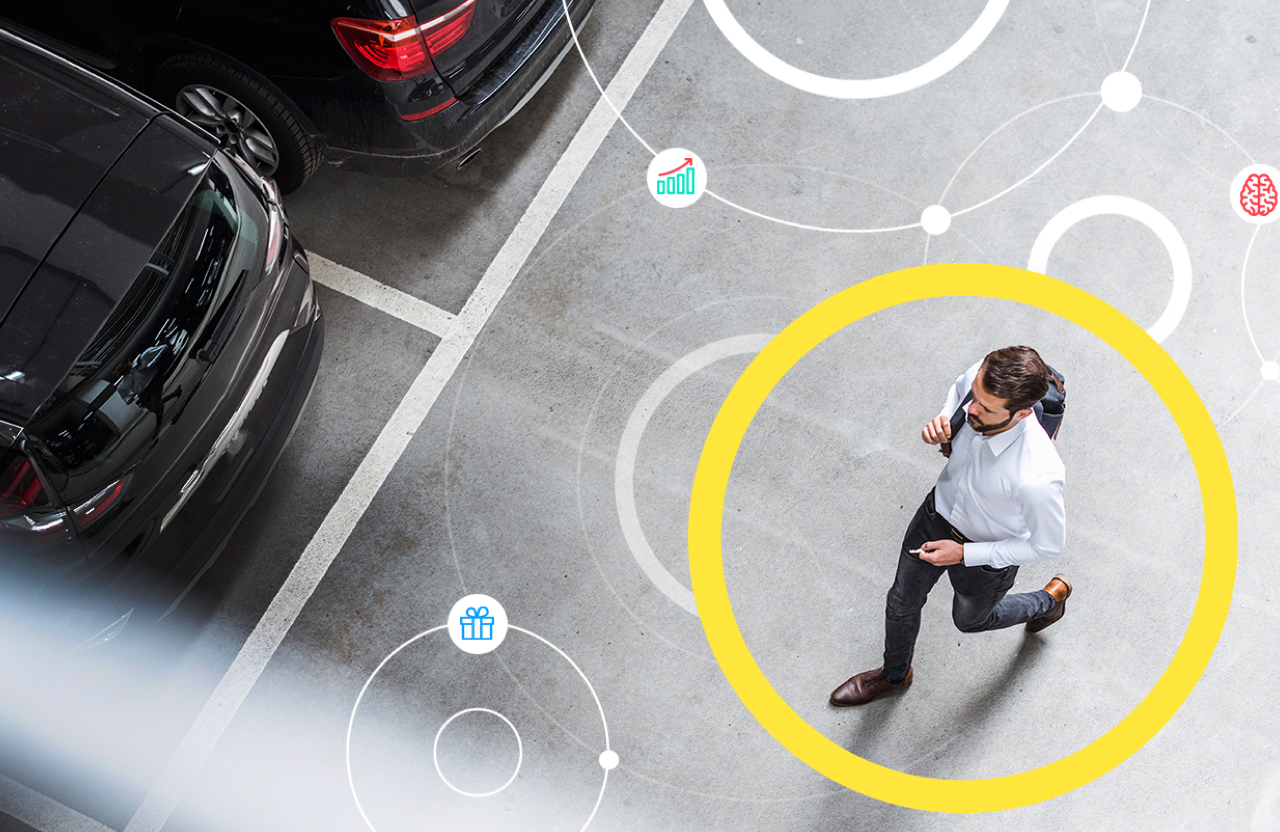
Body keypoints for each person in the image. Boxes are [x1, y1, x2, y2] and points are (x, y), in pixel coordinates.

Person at [829, 346, 1071, 707]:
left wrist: (964, 553)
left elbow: (1048, 545)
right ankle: (894, 674)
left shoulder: (1037, 476)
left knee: (970, 621)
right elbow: (958, 391)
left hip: (986, 557)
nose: (971, 409)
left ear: (1022, 413)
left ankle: (1047, 602)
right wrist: (943, 420)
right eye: (975, 396)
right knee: (901, 601)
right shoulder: (981, 380)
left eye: (986, 409)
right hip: (935, 517)